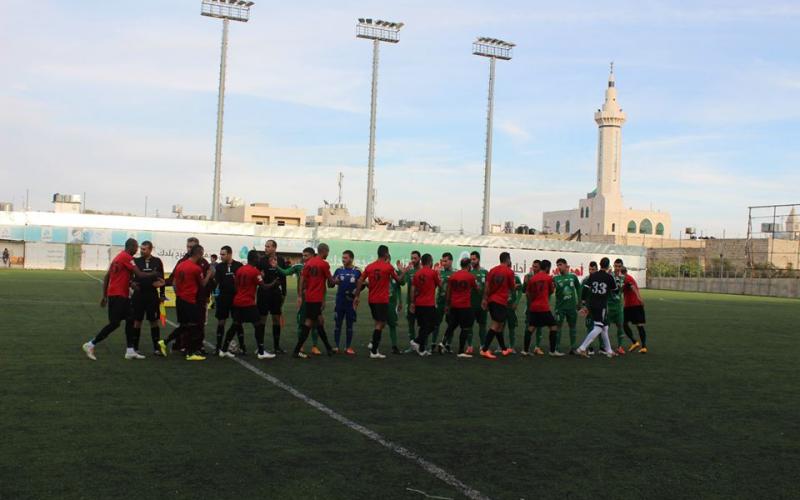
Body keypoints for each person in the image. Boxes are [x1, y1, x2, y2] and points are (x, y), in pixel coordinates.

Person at [82, 238, 157, 361]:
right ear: (131, 247)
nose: (137, 250)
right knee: (115, 323)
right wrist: (155, 274)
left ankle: (130, 350)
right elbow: (140, 274)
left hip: (116, 295)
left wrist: (105, 295)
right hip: (119, 296)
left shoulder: (118, 257)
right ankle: (90, 344)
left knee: (130, 319)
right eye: (136, 247)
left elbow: (107, 276)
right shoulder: (127, 258)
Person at [160, 245, 215, 361]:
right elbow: (203, 285)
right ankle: (190, 353)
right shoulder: (196, 269)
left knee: (184, 325)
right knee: (193, 326)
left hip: (180, 299)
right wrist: (209, 274)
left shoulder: (180, 265)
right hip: (190, 300)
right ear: (199, 254)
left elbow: (175, 283)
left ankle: (164, 342)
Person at [219, 250, 277, 360]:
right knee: (258, 325)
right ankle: (261, 352)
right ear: (254, 259)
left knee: (235, 325)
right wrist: (274, 282)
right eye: (258, 257)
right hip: (248, 303)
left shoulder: (240, 269)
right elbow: (264, 286)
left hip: (237, 301)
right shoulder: (255, 272)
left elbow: (236, 285)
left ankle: (223, 350)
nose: (259, 259)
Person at [354, 244, 402, 359]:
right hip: (382, 300)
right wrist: (403, 271)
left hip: (372, 300)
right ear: (386, 254)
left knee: (379, 322)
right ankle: (374, 350)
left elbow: (360, 280)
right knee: (380, 324)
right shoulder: (388, 267)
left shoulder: (370, 267)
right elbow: (399, 280)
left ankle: (373, 345)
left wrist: (357, 295)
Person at [293, 243, 335, 358]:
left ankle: (328, 348)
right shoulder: (324, 264)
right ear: (325, 251)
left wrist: (300, 295)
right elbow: (331, 282)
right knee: (310, 323)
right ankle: (297, 350)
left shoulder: (308, 263)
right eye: (328, 252)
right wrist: (338, 281)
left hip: (309, 297)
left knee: (319, 322)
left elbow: (302, 279)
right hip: (316, 299)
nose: (328, 254)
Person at [576, 257, 618, 358]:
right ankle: (582, 348)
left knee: (604, 327)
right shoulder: (609, 277)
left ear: (599, 264)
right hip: (601, 305)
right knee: (599, 327)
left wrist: (583, 302)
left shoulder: (593, 275)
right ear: (608, 266)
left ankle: (609, 350)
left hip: (592, 304)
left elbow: (585, 289)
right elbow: (615, 290)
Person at [130, 241, 167, 357]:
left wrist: (162, 294)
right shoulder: (136, 261)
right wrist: (132, 284)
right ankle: (135, 348)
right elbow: (130, 277)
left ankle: (156, 348)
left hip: (152, 295)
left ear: (151, 250)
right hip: (139, 295)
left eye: (144, 249)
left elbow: (161, 279)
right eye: (141, 249)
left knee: (154, 321)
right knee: (137, 321)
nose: (142, 251)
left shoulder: (157, 261)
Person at [479, 252, 516, 359]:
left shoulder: (492, 270)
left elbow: (487, 286)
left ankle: (504, 349)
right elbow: (512, 288)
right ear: (508, 259)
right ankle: (484, 349)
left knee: (499, 325)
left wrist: (485, 299)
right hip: (500, 301)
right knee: (496, 325)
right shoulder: (509, 272)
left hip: (492, 301)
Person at [523, 259, 563, 357]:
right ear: (547, 268)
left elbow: (528, 293)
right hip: (544, 307)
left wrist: (533, 300)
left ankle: (525, 350)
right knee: (553, 327)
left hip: (534, 307)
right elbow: (551, 291)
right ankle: (552, 351)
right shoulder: (548, 278)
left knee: (531, 328)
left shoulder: (533, 278)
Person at [441, 258, 477, 358]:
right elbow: (477, 288)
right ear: (469, 265)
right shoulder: (470, 276)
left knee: (452, 325)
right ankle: (461, 351)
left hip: (454, 305)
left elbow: (448, 291)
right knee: (465, 328)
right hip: (465, 306)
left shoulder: (453, 275)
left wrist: (447, 305)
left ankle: (442, 343)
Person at [258, 240, 289, 354]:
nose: (266, 248)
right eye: (265, 246)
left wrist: (284, 293)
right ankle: (260, 346)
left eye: (268, 246)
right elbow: (256, 275)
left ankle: (276, 346)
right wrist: (259, 275)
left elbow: (284, 276)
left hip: (276, 294)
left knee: (276, 319)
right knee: (262, 319)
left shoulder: (280, 260)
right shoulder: (261, 260)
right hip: (263, 293)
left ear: (274, 248)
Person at [213, 246, 245, 355]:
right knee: (221, 322)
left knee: (238, 322)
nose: (221, 256)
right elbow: (216, 282)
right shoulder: (219, 267)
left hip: (236, 298)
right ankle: (218, 347)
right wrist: (214, 296)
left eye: (223, 254)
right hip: (223, 298)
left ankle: (242, 347)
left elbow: (243, 282)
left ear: (230, 254)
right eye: (220, 254)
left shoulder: (238, 266)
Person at [409, 254, 441, 356]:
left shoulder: (417, 274)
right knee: (433, 325)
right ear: (430, 261)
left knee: (423, 326)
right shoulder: (433, 273)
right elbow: (440, 285)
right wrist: (438, 274)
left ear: (422, 262)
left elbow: (413, 289)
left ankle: (422, 349)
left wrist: (412, 302)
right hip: (429, 304)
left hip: (419, 303)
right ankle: (417, 341)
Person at [333, 250, 361, 355]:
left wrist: (357, 295)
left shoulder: (357, 271)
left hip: (350, 303)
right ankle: (336, 346)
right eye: (343, 257)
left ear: (351, 259)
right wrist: (334, 281)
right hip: (340, 301)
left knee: (350, 325)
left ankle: (348, 347)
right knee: (337, 324)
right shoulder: (339, 270)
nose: (343, 259)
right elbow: (330, 283)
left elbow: (361, 284)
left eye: (345, 258)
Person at [553, 258, 582, 355]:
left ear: (566, 265)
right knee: (558, 327)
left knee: (572, 327)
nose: (559, 267)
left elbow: (578, 288)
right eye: (557, 265)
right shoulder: (555, 279)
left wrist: (579, 301)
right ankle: (556, 348)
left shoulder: (573, 277)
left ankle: (573, 348)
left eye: (560, 264)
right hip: (560, 308)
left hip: (571, 307)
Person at [621, 266, 648, 354]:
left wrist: (639, 298)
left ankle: (638, 343)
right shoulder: (625, 279)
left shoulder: (627, 279)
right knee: (629, 324)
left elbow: (633, 287)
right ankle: (640, 345)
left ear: (623, 273)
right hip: (630, 305)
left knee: (635, 325)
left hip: (634, 305)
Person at [608, 258, 632, 355]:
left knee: (620, 326)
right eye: (616, 266)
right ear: (613, 266)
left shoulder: (624, 277)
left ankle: (620, 347)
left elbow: (625, 289)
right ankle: (605, 347)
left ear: (622, 267)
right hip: (609, 306)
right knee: (605, 328)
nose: (617, 268)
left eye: (619, 266)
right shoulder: (609, 276)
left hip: (618, 307)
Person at [466, 251, 488, 354]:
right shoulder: (469, 273)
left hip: (482, 304)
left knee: (482, 325)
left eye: (474, 259)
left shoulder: (485, 272)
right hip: (471, 304)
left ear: (478, 259)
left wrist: (485, 299)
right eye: (471, 259)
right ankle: (469, 346)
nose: (472, 261)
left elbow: (488, 287)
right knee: (469, 325)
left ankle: (482, 346)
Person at [433, 252, 454, 353]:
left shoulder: (455, 273)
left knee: (451, 324)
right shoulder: (439, 273)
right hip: (440, 302)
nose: (444, 263)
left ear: (451, 261)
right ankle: (433, 344)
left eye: (446, 261)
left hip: (451, 303)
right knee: (436, 324)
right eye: (443, 261)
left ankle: (448, 345)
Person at [401, 250, 422, 351]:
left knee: (422, 324)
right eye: (412, 258)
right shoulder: (409, 271)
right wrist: (403, 272)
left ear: (420, 259)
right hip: (410, 303)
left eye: (415, 258)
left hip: (422, 302)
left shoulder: (423, 271)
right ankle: (412, 345)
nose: (413, 260)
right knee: (411, 324)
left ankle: (421, 345)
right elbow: (402, 282)